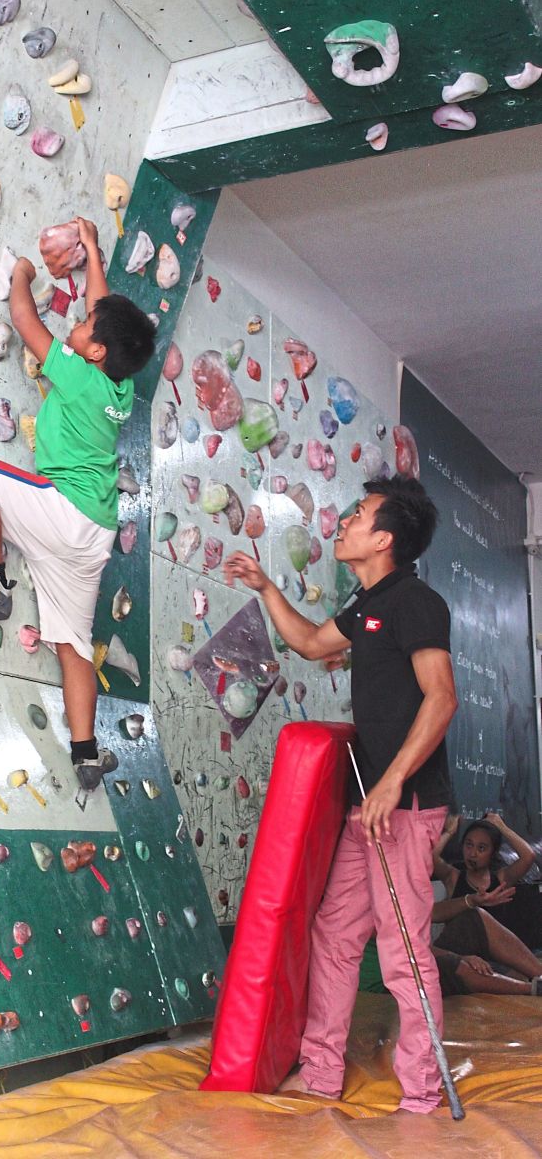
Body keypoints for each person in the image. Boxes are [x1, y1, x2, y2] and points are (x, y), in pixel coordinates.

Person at [224, 474, 458, 1113]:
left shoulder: (416, 602)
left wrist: (390, 784)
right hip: (369, 804)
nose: (345, 521)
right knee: (334, 934)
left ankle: (422, 1089)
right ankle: (322, 1070)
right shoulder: (365, 603)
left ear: (382, 538)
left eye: (358, 514)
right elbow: (307, 643)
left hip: (402, 806)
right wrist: (268, 587)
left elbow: (441, 699)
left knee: (402, 948)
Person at [0, 218, 156, 791]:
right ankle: (86, 752)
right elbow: (105, 308)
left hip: (67, 512)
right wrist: (89, 252)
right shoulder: (120, 386)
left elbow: (24, 320)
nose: (78, 324)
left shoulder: (80, 375)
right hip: (94, 534)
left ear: (95, 350)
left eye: (83, 325)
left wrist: (23, 273)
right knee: (72, 643)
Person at [433, 812, 541, 951]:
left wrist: (501, 826)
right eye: (469, 845)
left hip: (494, 955)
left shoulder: (501, 878)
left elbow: (528, 856)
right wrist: (450, 831)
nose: (473, 853)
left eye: (481, 848)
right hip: (461, 955)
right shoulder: (453, 877)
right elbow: (431, 857)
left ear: (492, 853)